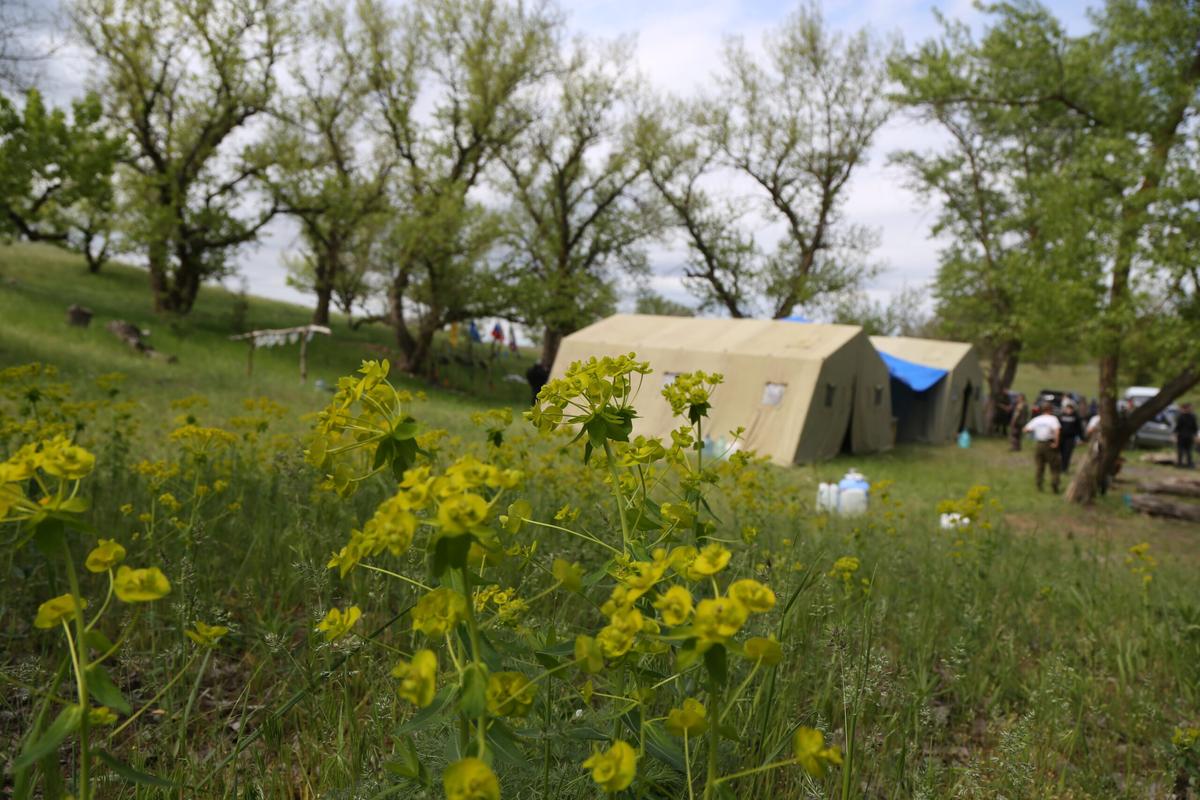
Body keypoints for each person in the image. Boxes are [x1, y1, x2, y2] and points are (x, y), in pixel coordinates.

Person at [1024, 401, 1062, 492]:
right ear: (1050, 409)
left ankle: (1039, 485)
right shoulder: (1053, 419)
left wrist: (1035, 432)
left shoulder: (1037, 419)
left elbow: (1025, 429)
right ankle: (1055, 485)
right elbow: (1057, 431)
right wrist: (1056, 443)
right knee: (1054, 466)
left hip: (1039, 444)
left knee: (1039, 467)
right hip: (1049, 443)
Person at [1057, 399, 1084, 472]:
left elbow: (1079, 428)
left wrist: (1081, 438)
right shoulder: (1061, 416)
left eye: (1070, 409)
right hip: (1061, 438)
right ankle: (1060, 467)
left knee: (1067, 454)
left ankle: (1064, 469)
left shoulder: (1076, 417)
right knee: (1060, 454)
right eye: (1068, 408)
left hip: (1070, 438)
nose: (1069, 410)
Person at [1175, 402, 1198, 468]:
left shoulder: (1193, 416)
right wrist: (1175, 436)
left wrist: (1196, 436)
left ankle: (1189, 464)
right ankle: (1180, 464)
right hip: (1181, 436)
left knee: (1189, 451)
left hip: (1189, 436)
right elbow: (1177, 427)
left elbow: (1195, 427)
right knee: (1180, 451)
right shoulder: (1180, 417)